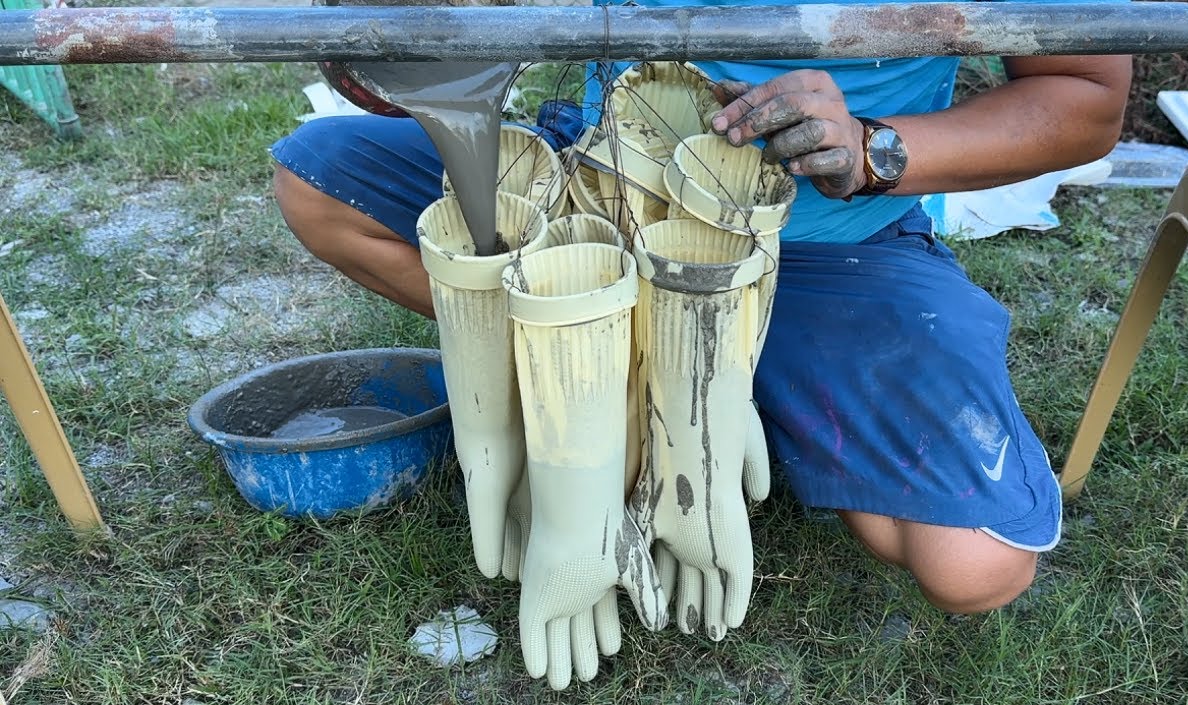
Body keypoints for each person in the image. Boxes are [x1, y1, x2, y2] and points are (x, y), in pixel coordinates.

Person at [269, 0, 1132, 615]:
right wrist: (395, 40)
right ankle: (586, 376)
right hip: (593, 180)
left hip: (825, 241)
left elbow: (1084, 96)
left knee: (973, 564)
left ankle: (704, 384)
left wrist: (876, 148)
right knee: (319, 179)